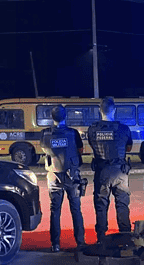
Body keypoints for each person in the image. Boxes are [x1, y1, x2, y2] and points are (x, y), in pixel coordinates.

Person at [40, 104, 86, 252]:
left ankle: (55, 244)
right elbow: (80, 150)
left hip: (54, 176)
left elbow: (44, 148)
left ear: (52, 117)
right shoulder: (73, 133)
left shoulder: (45, 133)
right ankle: (80, 243)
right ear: (65, 116)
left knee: (55, 211)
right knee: (76, 210)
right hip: (72, 176)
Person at [87, 97, 133, 242]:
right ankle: (125, 237)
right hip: (120, 171)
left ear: (100, 111)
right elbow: (128, 147)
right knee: (122, 204)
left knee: (101, 205)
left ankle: (101, 237)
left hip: (102, 171)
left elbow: (92, 145)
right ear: (114, 110)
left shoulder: (93, 129)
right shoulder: (123, 129)